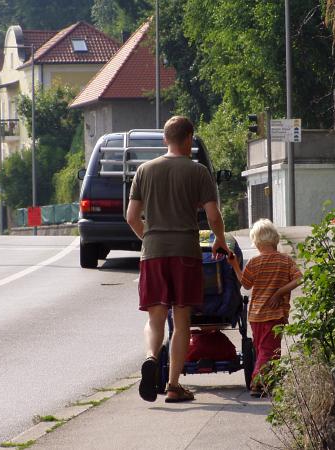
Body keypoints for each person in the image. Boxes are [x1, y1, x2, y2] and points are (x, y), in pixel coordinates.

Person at [126, 116, 229, 403]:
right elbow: (213, 216)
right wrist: (219, 240)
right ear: (189, 139)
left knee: (155, 316)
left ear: (164, 139)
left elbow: (132, 217)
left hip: (154, 251)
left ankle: (150, 357)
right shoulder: (198, 172)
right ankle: (173, 385)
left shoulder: (145, 171)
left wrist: (149, 237)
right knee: (181, 319)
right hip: (185, 250)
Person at [227, 218, 302, 395]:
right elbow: (300, 279)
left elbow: (245, 284)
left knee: (263, 349)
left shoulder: (254, 262)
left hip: (255, 315)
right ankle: (257, 382)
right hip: (275, 314)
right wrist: (279, 293)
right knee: (270, 350)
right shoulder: (285, 261)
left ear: (256, 241)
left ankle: (268, 382)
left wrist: (235, 266)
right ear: (275, 239)